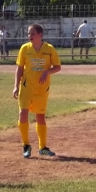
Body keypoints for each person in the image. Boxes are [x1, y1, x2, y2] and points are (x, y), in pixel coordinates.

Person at [13, 24, 61, 159]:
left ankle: (42, 147)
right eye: (29, 33)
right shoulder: (24, 48)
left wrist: (47, 72)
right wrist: (16, 86)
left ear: (40, 35)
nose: (30, 36)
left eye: (32, 33)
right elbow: (19, 68)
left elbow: (57, 67)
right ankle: (26, 145)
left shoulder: (49, 49)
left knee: (40, 117)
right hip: (26, 88)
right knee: (23, 113)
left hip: (42, 89)